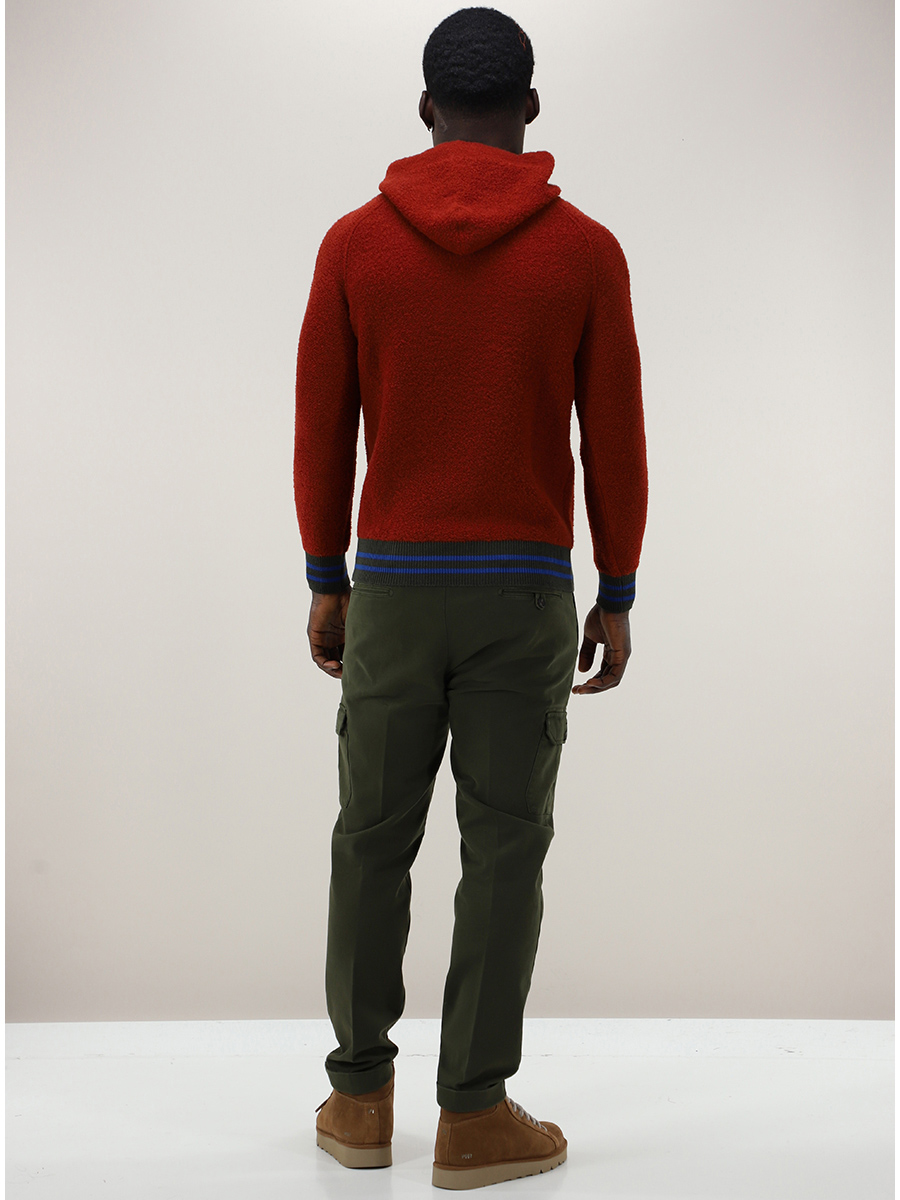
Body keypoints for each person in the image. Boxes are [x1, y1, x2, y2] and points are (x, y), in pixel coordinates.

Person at [293, 6, 648, 1189]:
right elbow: (614, 439)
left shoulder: (354, 245)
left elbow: (320, 428)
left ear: (426, 110)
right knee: (505, 850)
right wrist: (617, 588)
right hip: (524, 593)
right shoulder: (586, 251)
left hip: (392, 590)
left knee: (369, 840)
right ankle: (474, 1115)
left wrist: (327, 579)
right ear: (530, 109)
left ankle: (357, 1100)